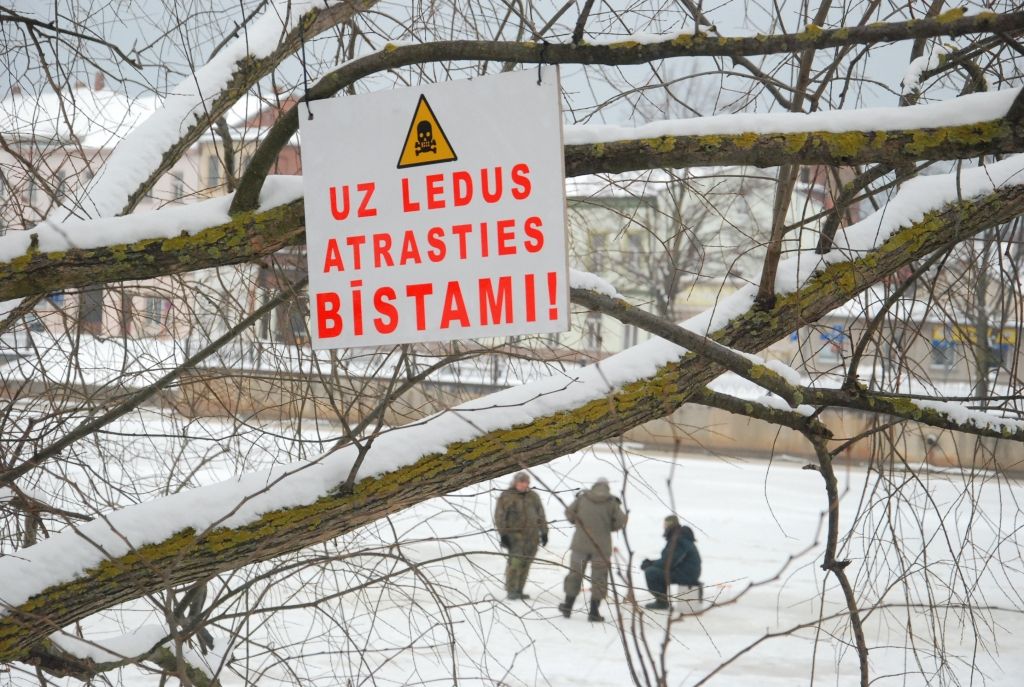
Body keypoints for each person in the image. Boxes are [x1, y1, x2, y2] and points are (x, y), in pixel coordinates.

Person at [558, 477, 628, 622]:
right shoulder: (611, 502)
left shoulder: (583, 498)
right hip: (601, 548)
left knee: (575, 574)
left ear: (594, 486)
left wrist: (577, 523)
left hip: (580, 545)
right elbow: (621, 521)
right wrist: (609, 528)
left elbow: (569, 513)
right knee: (599, 579)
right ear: (607, 488)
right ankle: (594, 612)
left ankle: (567, 607)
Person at [493, 471, 548, 600]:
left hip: (532, 537)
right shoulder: (507, 496)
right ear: (515, 482)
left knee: (526, 563)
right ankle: (511, 590)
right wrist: (503, 535)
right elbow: (499, 517)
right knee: (515, 563)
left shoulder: (533, 496)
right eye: (521, 482)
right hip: (515, 537)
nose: (524, 485)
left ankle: (519, 589)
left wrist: (544, 532)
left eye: (526, 482)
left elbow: (541, 515)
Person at [641, 516, 701, 610]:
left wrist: (650, 564)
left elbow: (669, 562)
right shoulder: (679, 537)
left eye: (665, 525)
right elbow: (669, 559)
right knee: (654, 570)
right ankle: (662, 601)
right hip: (685, 571)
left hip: (686, 574)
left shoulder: (679, 539)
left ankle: (662, 603)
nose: (664, 527)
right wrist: (652, 562)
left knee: (651, 572)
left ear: (670, 525)